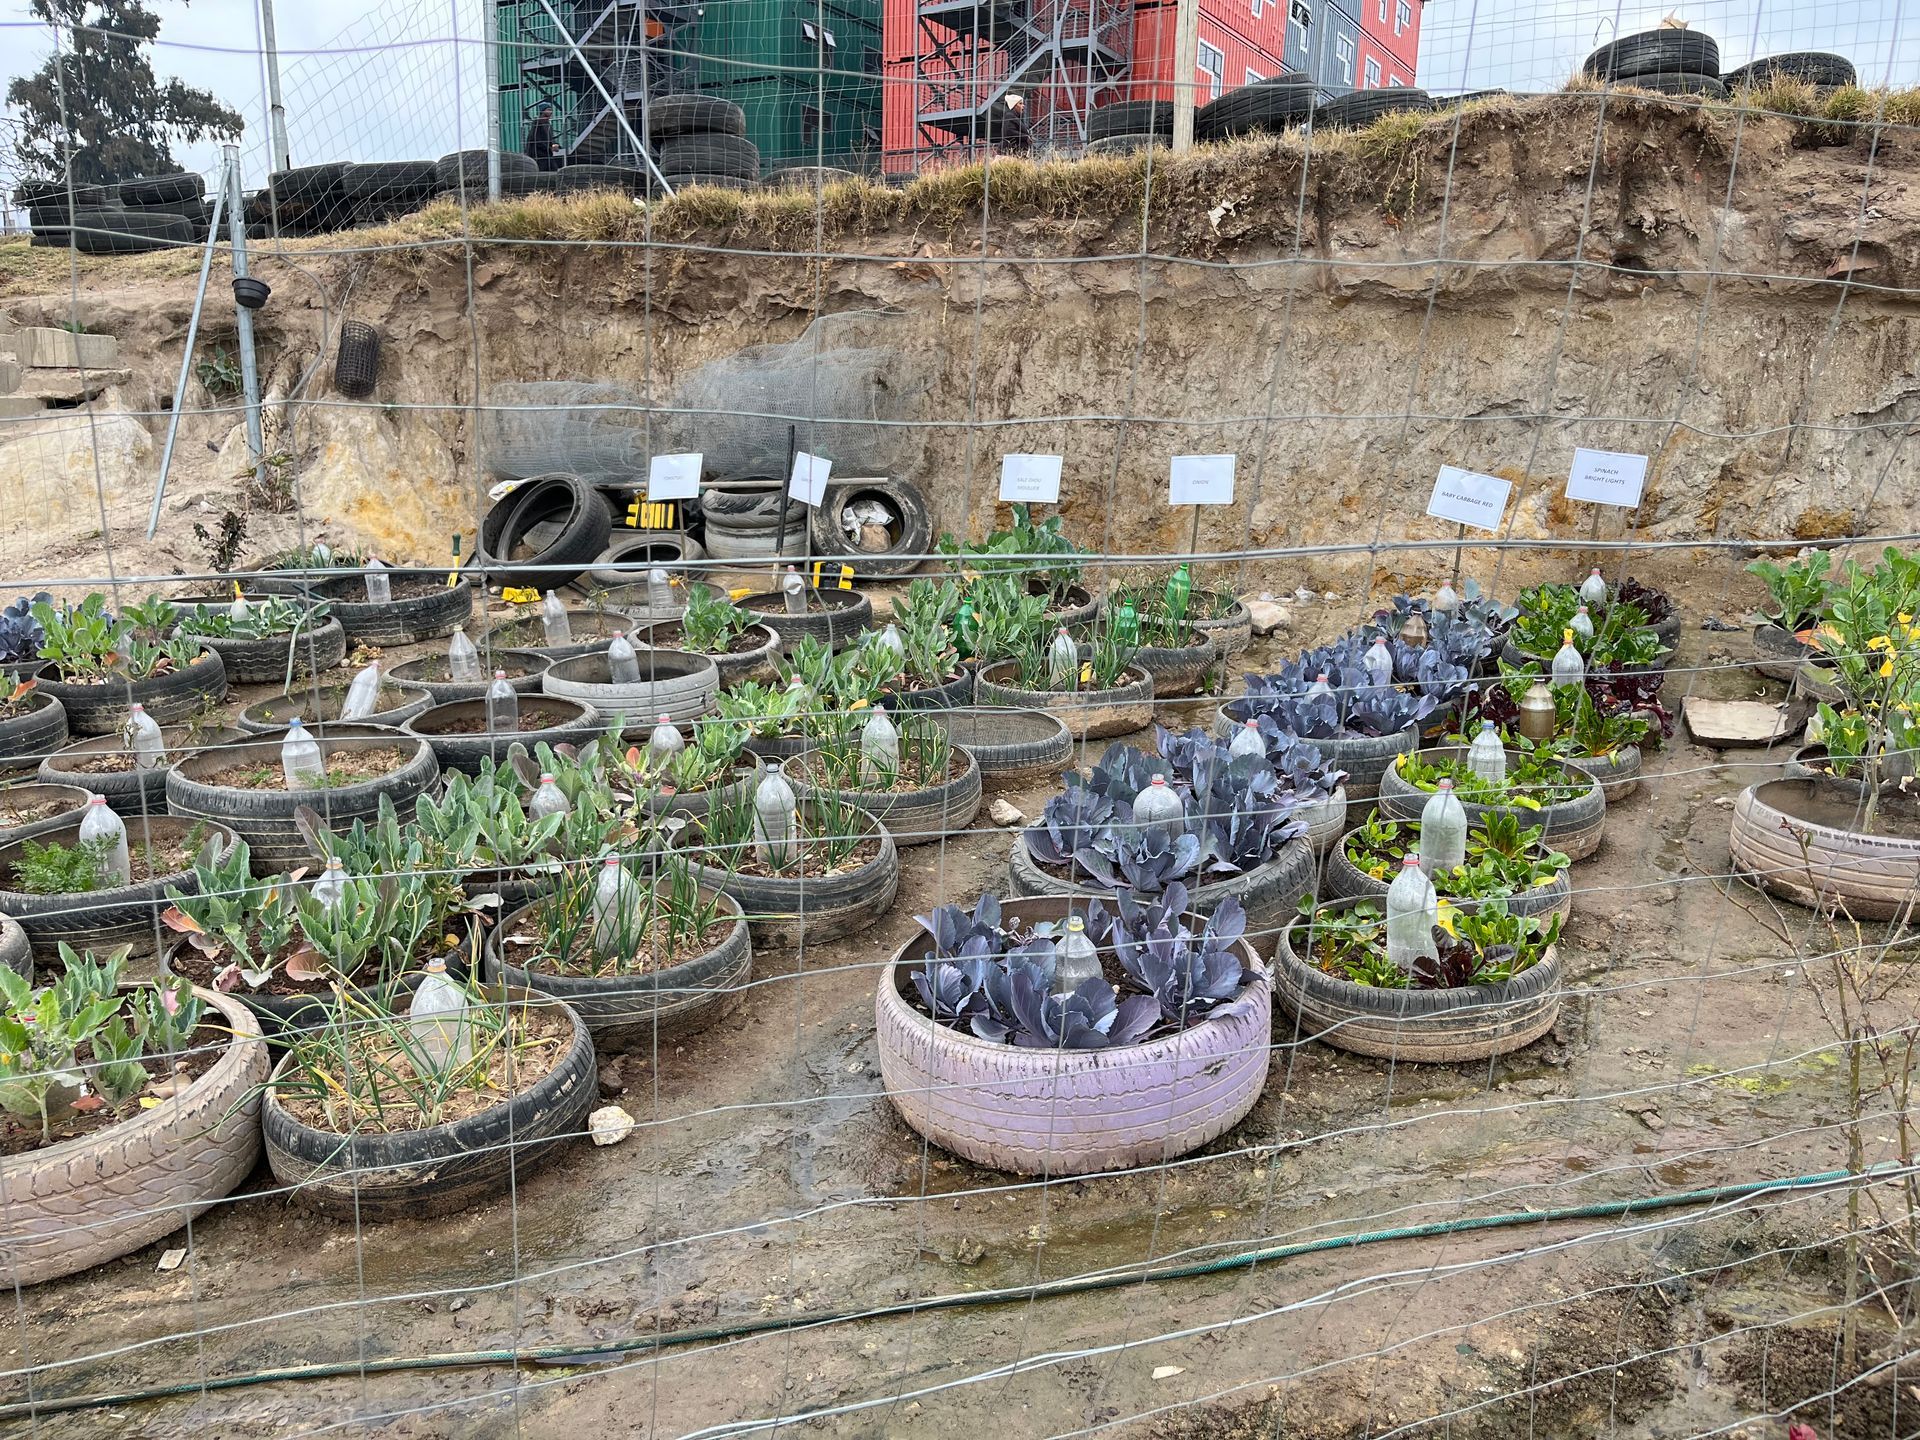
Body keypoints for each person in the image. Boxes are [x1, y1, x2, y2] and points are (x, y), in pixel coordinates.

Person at [525, 102, 561, 172]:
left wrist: (555, 145)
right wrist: (549, 147)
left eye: (551, 110)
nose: (550, 112)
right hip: (538, 155)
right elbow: (536, 139)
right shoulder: (537, 123)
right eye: (548, 110)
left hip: (547, 154)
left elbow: (551, 139)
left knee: (554, 171)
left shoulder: (548, 125)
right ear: (542, 111)